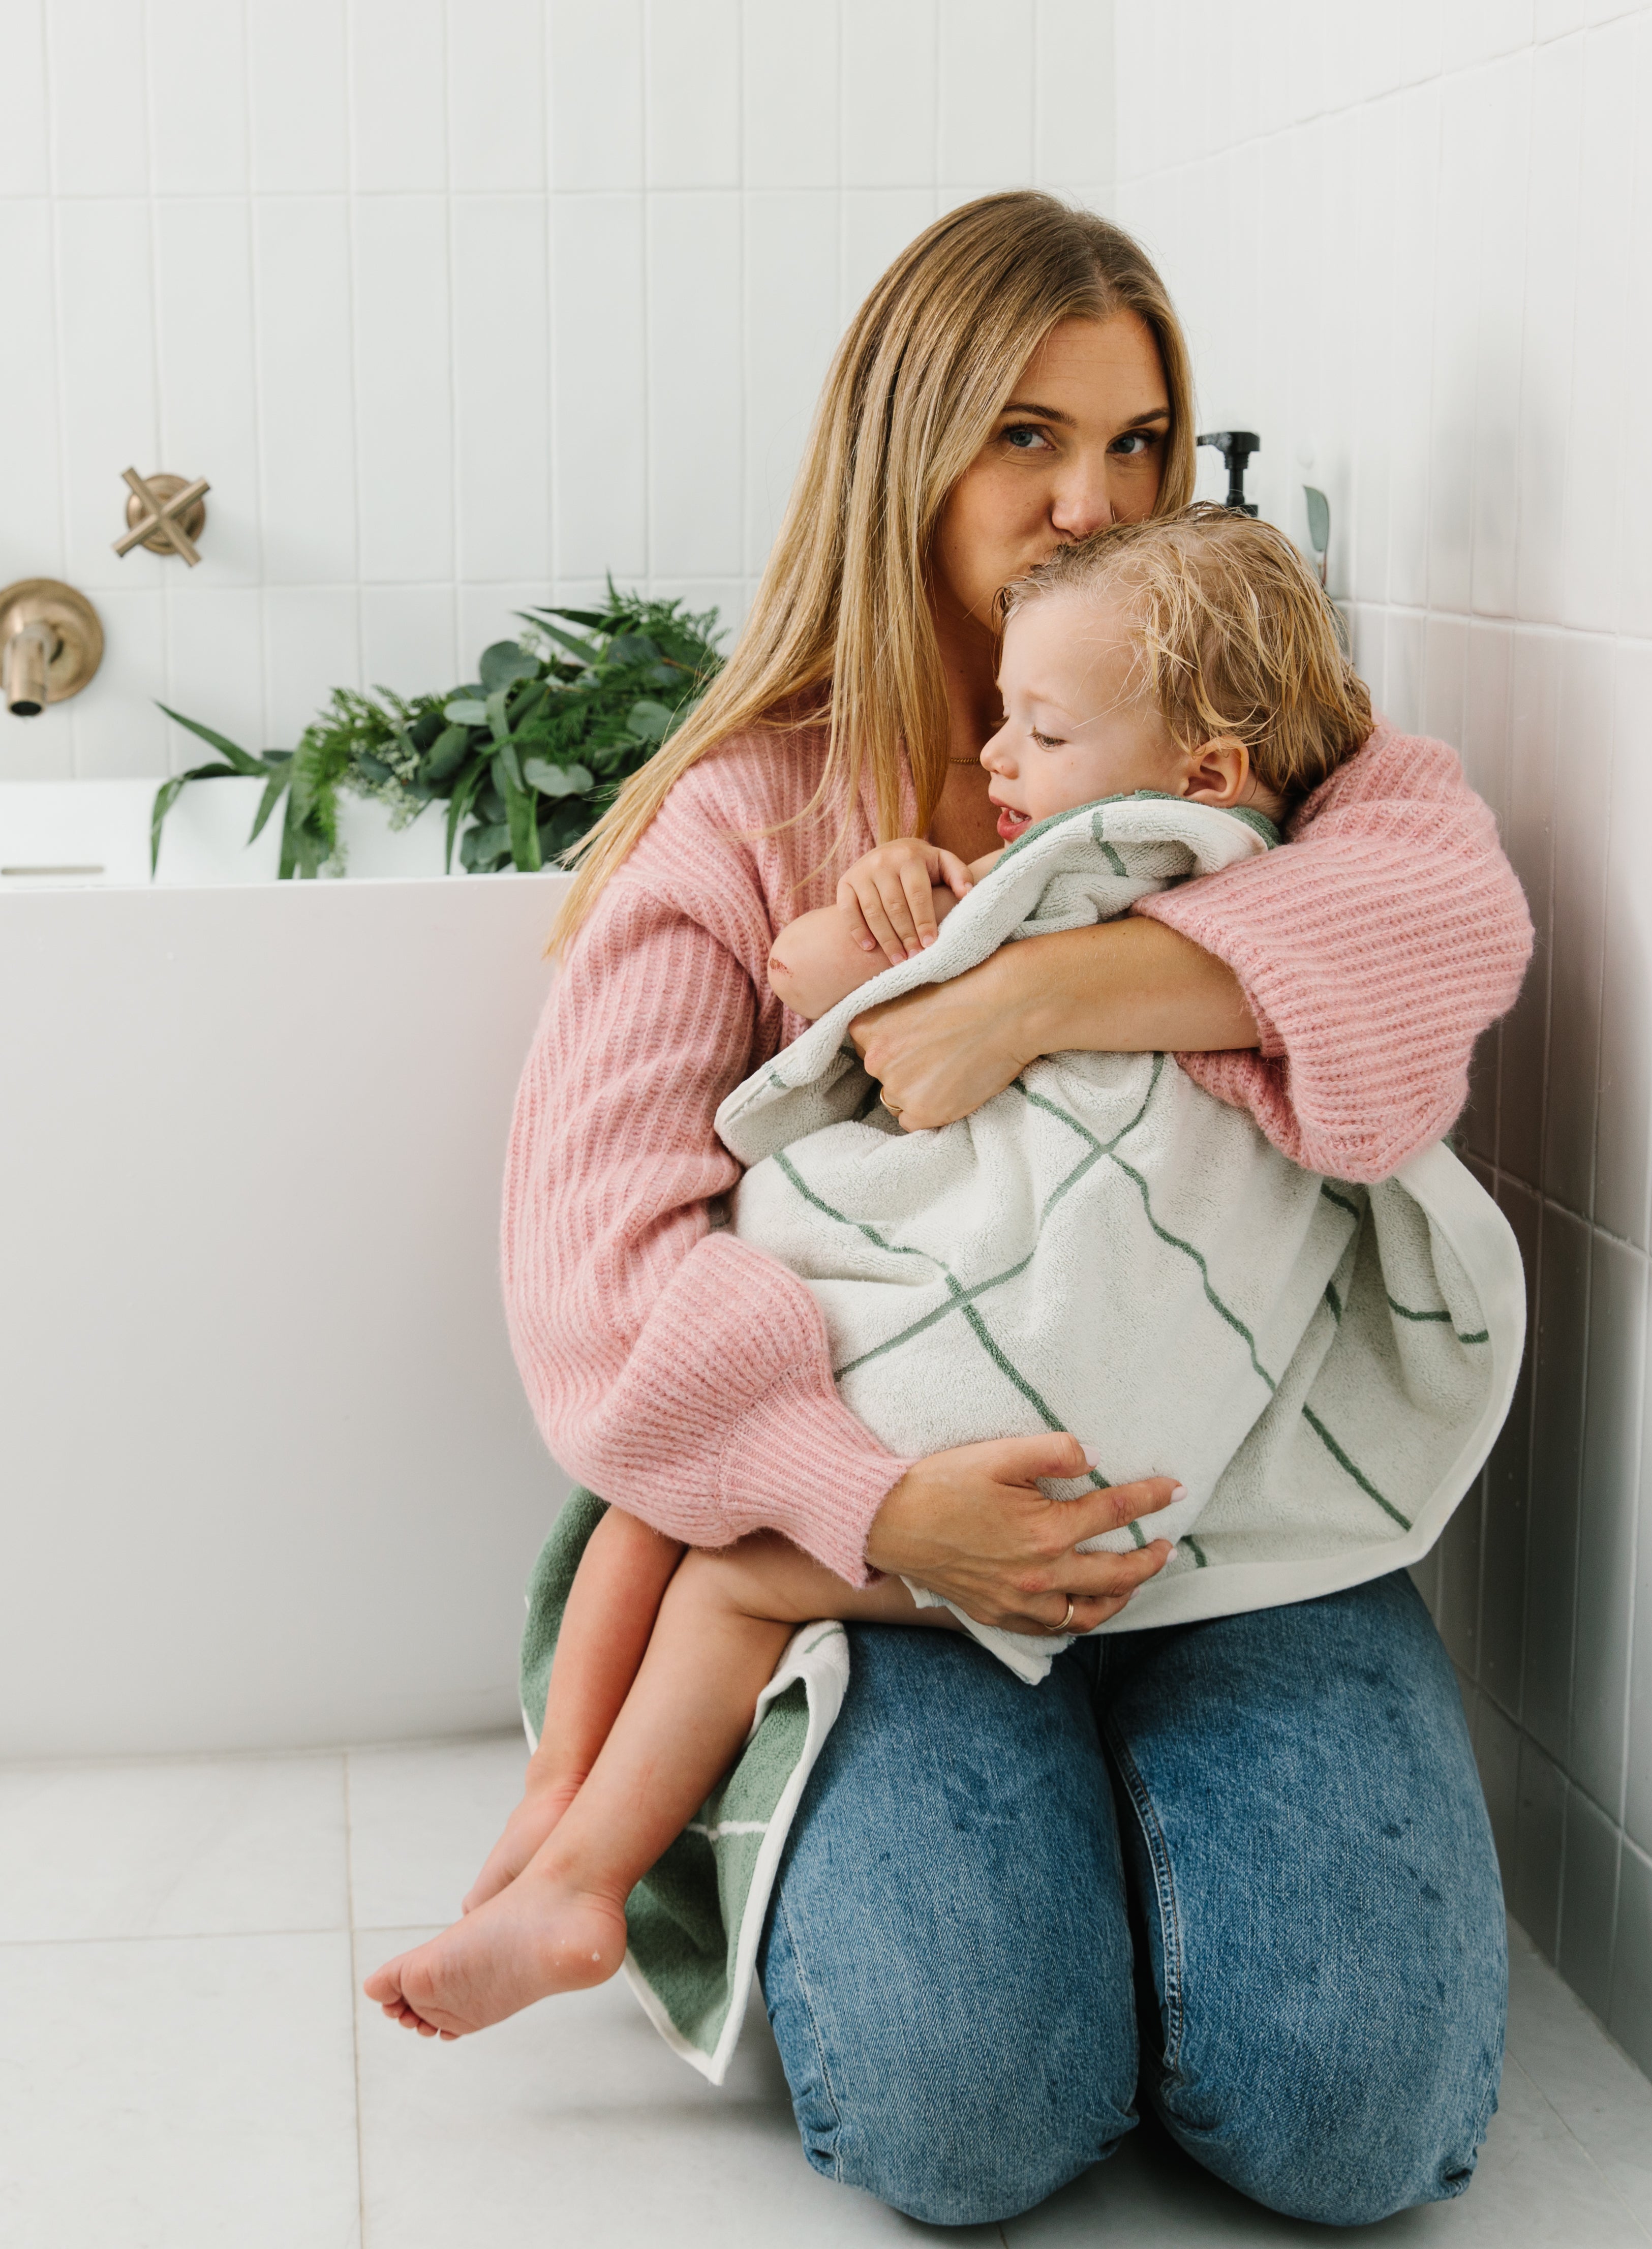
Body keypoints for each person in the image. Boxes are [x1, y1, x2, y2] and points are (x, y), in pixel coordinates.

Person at [461, 192, 1533, 2227]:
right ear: (907, 454)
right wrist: (877, 1510)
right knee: (966, 2106)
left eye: (1136, 444)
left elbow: (1443, 907)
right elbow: (592, 1279)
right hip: (893, 1508)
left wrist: (1037, 989)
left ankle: (1163, 1825)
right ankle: (651, 1830)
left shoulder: (1244, 737)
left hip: (1231, 1514)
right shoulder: (756, 814)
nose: (1086, 499)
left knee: (1350, 2109)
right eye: (1024, 438)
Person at [362, 505, 1398, 2043]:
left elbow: (853, 1003)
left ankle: (572, 1844)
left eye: (1037, 732)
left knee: (704, 1548)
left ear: (1203, 776)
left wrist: (868, 939)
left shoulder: (1115, 859)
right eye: (1030, 438)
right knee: (680, 1461)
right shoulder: (1237, 858)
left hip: (1054, 1421)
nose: (999, 765)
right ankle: (563, 1830)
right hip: (1119, 1424)